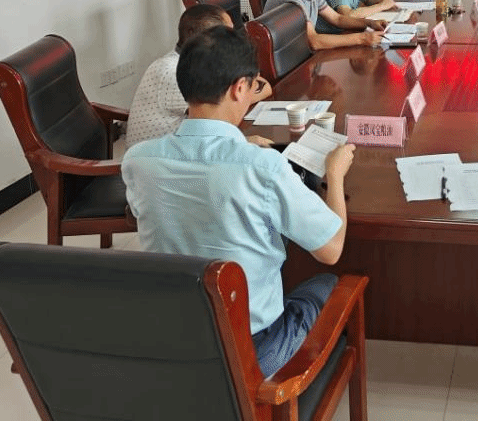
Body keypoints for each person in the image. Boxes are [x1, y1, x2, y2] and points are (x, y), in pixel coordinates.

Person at [122, 26, 356, 377]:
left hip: (175, 342)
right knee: (326, 283)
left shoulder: (138, 160)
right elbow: (331, 249)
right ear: (239, 88)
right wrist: (335, 175)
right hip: (251, 352)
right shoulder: (262, 167)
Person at [126, 4, 271, 146]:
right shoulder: (172, 72)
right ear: (203, 40)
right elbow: (220, 114)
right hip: (159, 157)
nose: (234, 39)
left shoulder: (201, 65)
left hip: (183, 147)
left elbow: (259, 88)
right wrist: (246, 141)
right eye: (226, 34)